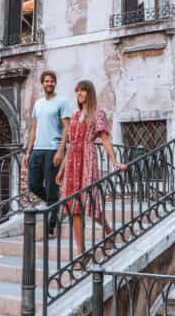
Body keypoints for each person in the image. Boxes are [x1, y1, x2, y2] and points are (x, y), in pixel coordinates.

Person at [57, 80, 126, 251]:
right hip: (72, 162)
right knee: (74, 207)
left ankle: (109, 231)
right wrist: (62, 169)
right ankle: (81, 251)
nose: (79, 94)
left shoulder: (97, 114)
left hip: (87, 159)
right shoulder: (73, 115)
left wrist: (115, 162)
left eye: (83, 91)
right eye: (77, 91)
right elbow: (71, 144)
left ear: (90, 93)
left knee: (91, 203)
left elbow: (105, 140)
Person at [23, 70, 71, 234]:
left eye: (52, 81)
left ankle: (51, 223)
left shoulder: (62, 102)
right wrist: (28, 152)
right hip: (37, 150)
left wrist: (60, 151)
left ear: (55, 83)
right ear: (42, 83)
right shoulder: (38, 104)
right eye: (46, 81)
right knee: (33, 184)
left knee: (51, 187)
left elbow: (67, 128)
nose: (49, 84)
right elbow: (34, 129)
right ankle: (55, 205)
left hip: (52, 149)